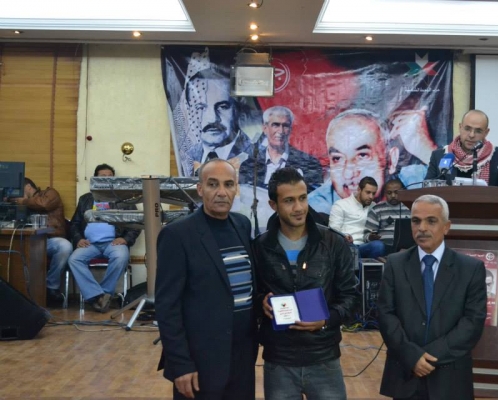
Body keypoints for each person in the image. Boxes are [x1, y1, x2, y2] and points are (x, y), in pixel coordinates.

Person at [155, 159, 257, 400]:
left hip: (242, 358)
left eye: (228, 184)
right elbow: (167, 307)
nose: (221, 192)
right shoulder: (177, 235)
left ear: (236, 188)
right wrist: (181, 364)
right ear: (200, 189)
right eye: (213, 184)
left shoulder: (242, 225)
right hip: (200, 361)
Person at [254, 167, 358, 400]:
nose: (299, 207)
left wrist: (326, 320)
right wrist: (261, 302)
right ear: (273, 205)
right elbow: (252, 296)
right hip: (279, 360)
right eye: (289, 201)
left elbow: (351, 297)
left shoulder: (333, 243)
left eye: (302, 198)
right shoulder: (260, 247)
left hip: (324, 357)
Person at [378, 194, 487, 400]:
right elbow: (385, 315)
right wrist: (412, 356)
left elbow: (472, 323)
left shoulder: (470, 269)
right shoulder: (395, 264)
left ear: (446, 227)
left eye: (431, 221)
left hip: (450, 376)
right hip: (406, 374)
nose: (422, 228)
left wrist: (427, 357)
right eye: (416, 221)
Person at [68, 164, 140, 313]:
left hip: (113, 243)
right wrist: (78, 239)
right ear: (96, 179)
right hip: (89, 244)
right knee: (74, 259)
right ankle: (99, 296)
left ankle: (102, 294)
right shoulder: (85, 199)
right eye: (103, 177)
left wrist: (125, 239)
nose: (107, 179)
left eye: (110, 177)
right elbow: (74, 224)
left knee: (121, 256)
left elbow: (136, 223)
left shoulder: (123, 199)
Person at [172, 50, 254, 176]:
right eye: (201, 108)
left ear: (237, 109)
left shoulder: (256, 155)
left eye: (222, 107)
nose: (212, 119)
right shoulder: (189, 155)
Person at [308, 109, 387, 214]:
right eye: (337, 159)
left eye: (362, 156)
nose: (348, 174)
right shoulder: (315, 210)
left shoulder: (404, 193)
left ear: (391, 159)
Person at [10, 178, 72, 304]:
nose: (17, 195)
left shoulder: (50, 193)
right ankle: (16, 291)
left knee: (65, 246)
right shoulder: (16, 202)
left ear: (28, 187)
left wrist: (24, 201)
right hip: (25, 241)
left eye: (19, 190)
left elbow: (44, 204)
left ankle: (51, 287)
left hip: (49, 240)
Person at [239, 106, 323, 191]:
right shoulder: (248, 166)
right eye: (275, 125)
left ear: (290, 129)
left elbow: (314, 196)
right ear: (265, 128)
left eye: (285, 126)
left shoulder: (308, 164)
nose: (281, 131)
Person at [425, 110, 498, 186]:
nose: (471, 135)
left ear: (486, 132)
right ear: (460, 127)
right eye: (467, 129)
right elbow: (428, 189)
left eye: (478, 131)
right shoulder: (440, 156)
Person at [329, 176, 386, 259]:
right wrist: (345, 236)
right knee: (351, 250)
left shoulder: (374, 207)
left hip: (365, 245)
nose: (371, 196)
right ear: (359, 189)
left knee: (379, 245)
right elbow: (333, 231)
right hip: (347, 246)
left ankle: (369, 267)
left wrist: (371, 237)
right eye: (368, 192)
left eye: (373, 193)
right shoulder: (341, 205)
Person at [363, 179, 410, 255]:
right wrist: (371, 237)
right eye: (389, 193)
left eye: (396, 192)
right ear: (385, 193)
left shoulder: (411, 208)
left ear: (403, 192)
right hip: (384, 248)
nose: (393, 196)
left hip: (407, 248)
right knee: (378, 246)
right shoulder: (377, 209)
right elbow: (366, 236)